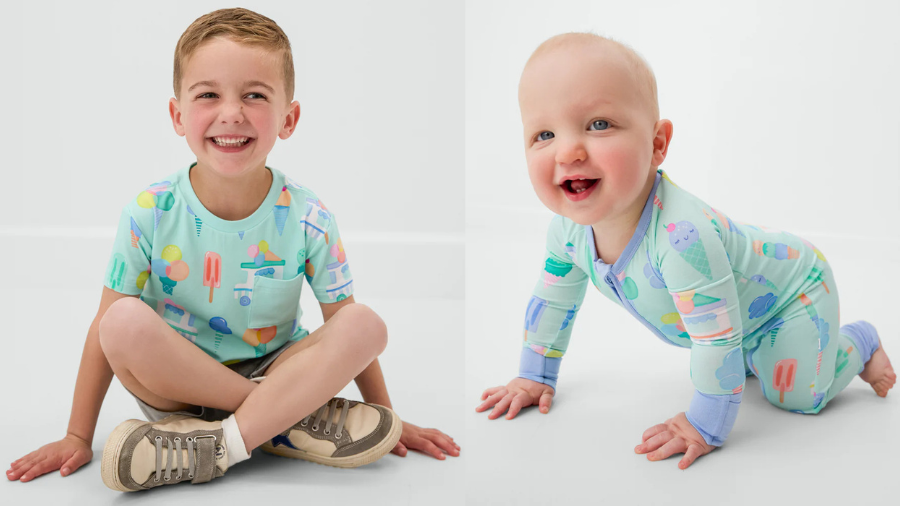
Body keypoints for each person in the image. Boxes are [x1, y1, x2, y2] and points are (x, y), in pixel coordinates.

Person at [7, 8, 458, 491]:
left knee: (365, 324)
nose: (232, 113)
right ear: (178, 116)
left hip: (276, 370)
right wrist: (77, 435)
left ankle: (219, 445)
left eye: (254, 95)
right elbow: (104, 333)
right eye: (208, 94)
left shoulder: (308, 215)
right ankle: (283, 421)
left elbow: (344, 326)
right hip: (176, 390)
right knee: (119, 322)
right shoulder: (149, 211)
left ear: (288, 119)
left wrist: (387, 417)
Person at [475, 32, 895, 469]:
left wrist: (704, 424)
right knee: (740, 359)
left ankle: (860, 343)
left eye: (598, 125)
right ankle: (763, 352)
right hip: (739, 313)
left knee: (796, 396)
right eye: (544, 134)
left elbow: (715, 339)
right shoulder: (567, 231)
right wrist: (533, 375)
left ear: (657, 144)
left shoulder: (682, 239)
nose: (568, 151)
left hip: (794, 292)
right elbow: (553, 302)